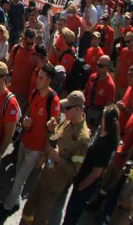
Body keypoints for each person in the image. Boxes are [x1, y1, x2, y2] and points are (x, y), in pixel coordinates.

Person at [20, 90, 90, 225]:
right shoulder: (66, 122)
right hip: (45, 174)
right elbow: (54, 139)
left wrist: (58, 159)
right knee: (28, 209)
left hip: (54, 185)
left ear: (77, 109)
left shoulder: (83, 138)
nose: (64, 111)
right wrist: (49, 131)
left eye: (68, 108)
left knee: (40, 218)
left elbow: (74, 170)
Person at [2, 64, 61, 214]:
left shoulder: (53, 101)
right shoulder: (35, 92)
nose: (37, 80)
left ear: (49, 81)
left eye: (41, 78)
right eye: (38, 76)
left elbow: (54, 131)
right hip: (25, 142)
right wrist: (25, 121)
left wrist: (44, 154)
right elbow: (28, 113)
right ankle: (16, 200)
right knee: (18, 174)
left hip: (36, 149)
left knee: (19, 180)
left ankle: (7, 207)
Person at [63, 105, 120, 225]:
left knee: (71, 216)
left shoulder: (105, 145)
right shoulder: (102, 135)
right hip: (81, 178)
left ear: (105, 119)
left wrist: (81, 186)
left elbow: (96, 173)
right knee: (72, 213)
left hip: (85, 184)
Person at [85, 54, 116, 130]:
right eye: (97, 64)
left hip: (97, 115)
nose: (98, 67)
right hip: (86, 110)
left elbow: (108, 106)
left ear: (107, 67)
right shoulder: (93, 77)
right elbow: (86, 92)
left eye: (101, 66)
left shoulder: (110, 85)